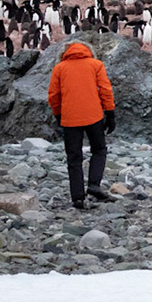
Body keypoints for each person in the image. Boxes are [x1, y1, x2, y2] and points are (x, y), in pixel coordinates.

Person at [47, 40, 115, 209]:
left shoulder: (59, 68)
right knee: (99, 149)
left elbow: (54, 95)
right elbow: (105, 89)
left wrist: (58, 115)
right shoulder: (96, 64)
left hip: (70, 118)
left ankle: (77, 197)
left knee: (74, 157)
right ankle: (94, 184)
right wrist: (110, 113)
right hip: (94, 116)